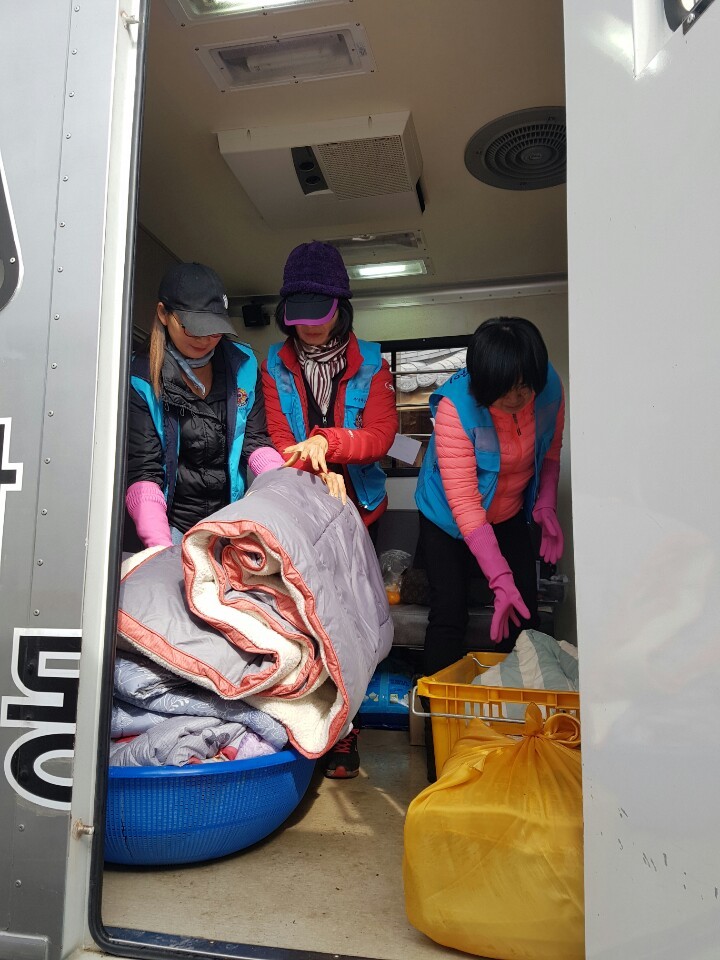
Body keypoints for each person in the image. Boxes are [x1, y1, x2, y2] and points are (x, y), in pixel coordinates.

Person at [262, 240, 398, 778]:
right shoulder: (275, 364)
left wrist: (330, 442)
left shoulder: (373, 364)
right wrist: (314, 469)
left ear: (341, 306)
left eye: (319, 313)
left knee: (354, 619)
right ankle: (308, 722)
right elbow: (277, 435)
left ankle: (347, 729)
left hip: (360, 509)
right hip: (302, 509)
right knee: (305, 617)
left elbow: (382, 435)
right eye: (299, 315)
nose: (309, 327)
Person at [415, 316, 565, 676]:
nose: (516, 398)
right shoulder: (456, 408)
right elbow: (466, 506)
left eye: (525, 387)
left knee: (524, 611)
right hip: (448, 520)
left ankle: (519, 699)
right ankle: (441, 706)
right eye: (504, 390)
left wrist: (545, 504)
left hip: (508, 512)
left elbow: (551, 452)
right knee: (449, 612)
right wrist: (499, 579)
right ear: (483, 384)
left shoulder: (550, 388)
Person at [126, 261, 295, 549]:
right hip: (171, 526)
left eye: (214, 330)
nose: (205, 340)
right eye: (193, 329)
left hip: (229, 521)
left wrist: (284, 486)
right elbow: (144, 472)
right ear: (163, 314)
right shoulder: (140, 377)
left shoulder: (243, 366)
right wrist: (162, 549)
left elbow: (255, 442)